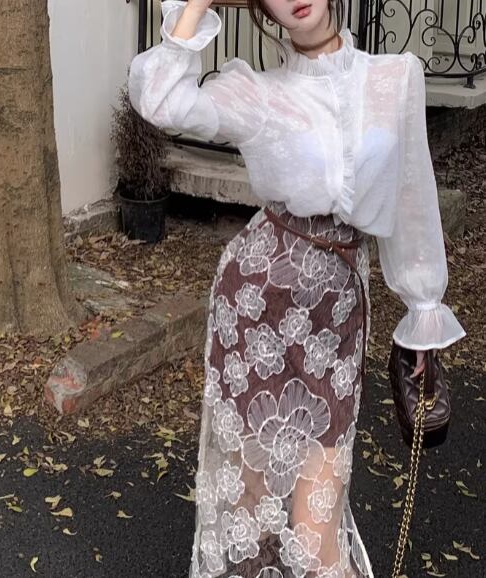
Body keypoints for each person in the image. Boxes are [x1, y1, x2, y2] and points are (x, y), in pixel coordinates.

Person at [127, 0, 467, 576]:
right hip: (254, 308)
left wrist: (423, 311)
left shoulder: (395, 78)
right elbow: (159, 99)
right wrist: (199, 2)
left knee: (316, 535)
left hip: (335, 317)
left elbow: (413, 202)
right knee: (252, 513)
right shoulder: (257, 93)